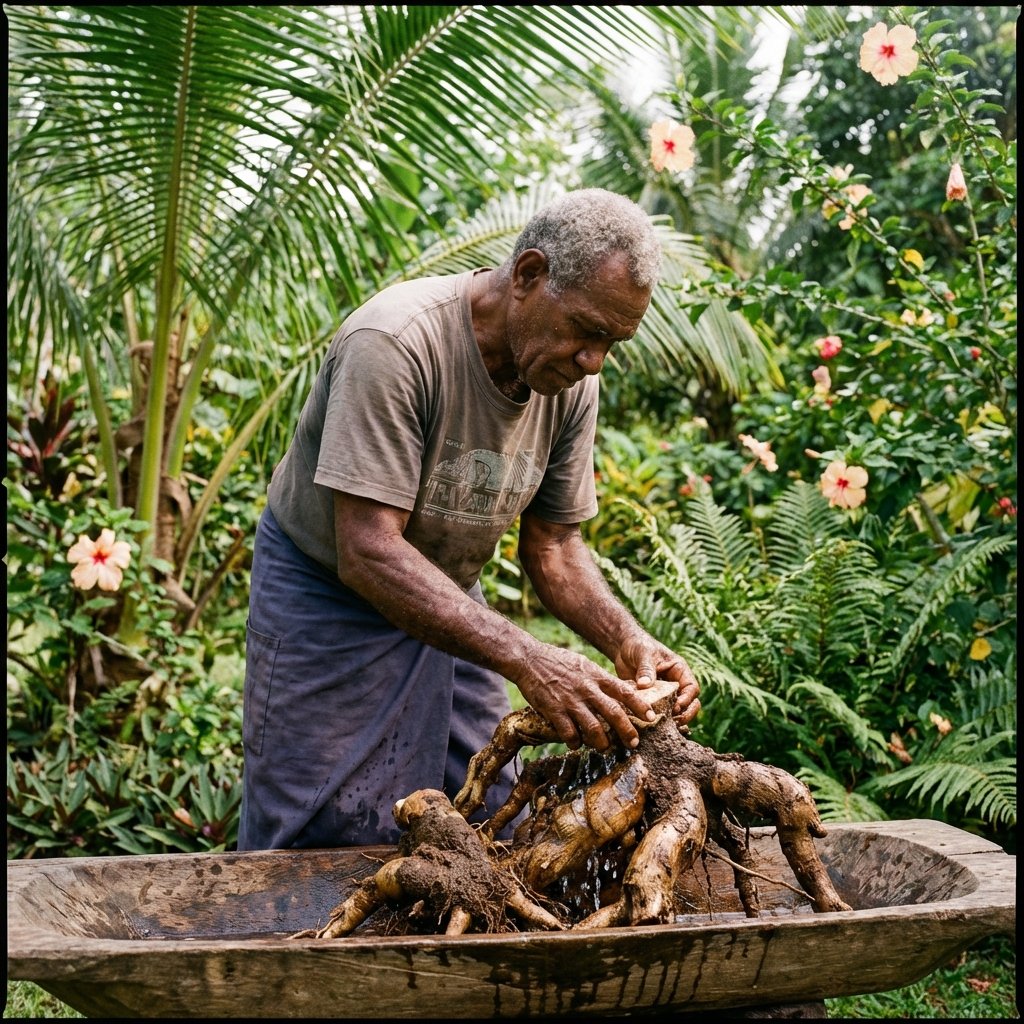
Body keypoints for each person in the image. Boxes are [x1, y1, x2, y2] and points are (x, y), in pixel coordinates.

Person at [238, 188, 701, 851]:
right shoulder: (395, 344)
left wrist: (628, 641)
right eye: (587, 331)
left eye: (612, 342)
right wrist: (529, 658)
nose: (594, 360)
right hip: (329, 595)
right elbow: (367, 549)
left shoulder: (567, 381)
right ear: (529, 275)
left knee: (492, 815)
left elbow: (557, 546)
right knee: (325, 830)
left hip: (446, 594)